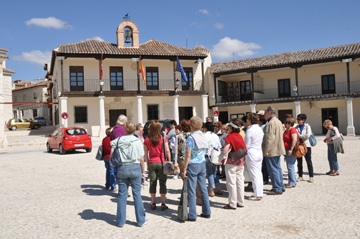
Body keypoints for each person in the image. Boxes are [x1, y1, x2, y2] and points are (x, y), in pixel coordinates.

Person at [111, 122, 147, 227]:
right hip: (135, 167)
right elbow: (141, 158)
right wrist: (143, 172)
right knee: (137, 195)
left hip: (122, 167)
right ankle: (140, 220)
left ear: (125, 129)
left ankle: (120, 221)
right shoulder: (137, 141)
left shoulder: (118, 140)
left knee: (122, 195)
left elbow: (112, 154)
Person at [182, 116, 211, 221]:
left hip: (193, 164)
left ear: (191, 125)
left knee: (192, 190)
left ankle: (193, 214)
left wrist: (184, 168)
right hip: (202, 163)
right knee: (203, 188)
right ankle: (207, 211)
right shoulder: (204, 136)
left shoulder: (191, 138)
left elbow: (188, 154)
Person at [143, 120, 171, 211]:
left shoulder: (147, 139)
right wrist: (169, 161)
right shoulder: (163, 138)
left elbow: (146, 154)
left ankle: (153, 202)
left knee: (152, 182)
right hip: (162, 162)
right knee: (163, 182)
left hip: (152, 162)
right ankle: (163, 203)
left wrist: (147, 164)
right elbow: (167, 151)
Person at [222, 118, 247, 209]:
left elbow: (225, 150)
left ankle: (232, 203)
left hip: (231, 161)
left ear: (231, 128)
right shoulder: (239, 136)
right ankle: (241, 202)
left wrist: (222, 149)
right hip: (241, 161)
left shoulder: (229, 137)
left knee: (231, 182)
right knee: (240, 181)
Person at [262, 106, 286, 195]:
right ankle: (281, 186)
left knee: (273, 169)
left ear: (269, 113)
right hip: (277, 148)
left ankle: (276, 188)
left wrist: (266, 150)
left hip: (272, 150)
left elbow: (270, 138)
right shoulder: (278, 121)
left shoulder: (271, 123)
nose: (264, 115)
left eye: (265, 113)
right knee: (278, 168)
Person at [244, 113, 264, 201]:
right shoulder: (260, 129)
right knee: (258, 173)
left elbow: (246, 144)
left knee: (254, 175)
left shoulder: (250, 130)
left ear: (250, 120)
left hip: (252, 153)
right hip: (259, 151)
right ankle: (259, 192)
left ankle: (257, 194)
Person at [204, 121, 222, 197]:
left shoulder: (204, 135)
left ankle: (211, 190)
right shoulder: (215, 136)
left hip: (207, 155)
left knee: (210, 173)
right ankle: (218, 188)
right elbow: (219, 145)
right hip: (215, 155)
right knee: (214, 173)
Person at [295, 113, 314, 183]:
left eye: (299, 119)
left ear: (303, 120)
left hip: (307, 145)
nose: (298, 120)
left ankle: (311, 176)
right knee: (299, 162)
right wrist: (302, 136)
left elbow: (308, 135)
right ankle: (300, 176)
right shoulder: (296, 127)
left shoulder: (307, 126)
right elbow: (296, 135)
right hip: (299, 146)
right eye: (297, 119)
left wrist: (300, 136)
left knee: (308, 161)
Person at [283, 117, 298, 188]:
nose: (285, 124)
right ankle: (290, 181)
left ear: (289, 124)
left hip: (290, 150)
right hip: (286, 149)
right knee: (289, 166)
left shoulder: (292, 130)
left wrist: (291, 149)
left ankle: (292, 182)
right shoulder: (287, 130)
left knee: (290, 166)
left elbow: (294, 139)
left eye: (286, 123)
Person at [102, 127, 117, 191]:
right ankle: (113, 186)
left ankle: (107, 184)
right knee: (112, 172)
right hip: (110, 157)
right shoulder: (112, 140)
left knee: (108, 171)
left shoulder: (104, 139)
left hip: (105, 157)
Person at [257, 110, 269, 185]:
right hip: (260, 147)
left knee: (264, 164)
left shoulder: (264, 127)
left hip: (263, 147)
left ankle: (265, 178)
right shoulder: (260, 126)